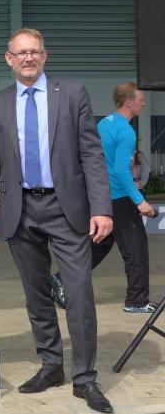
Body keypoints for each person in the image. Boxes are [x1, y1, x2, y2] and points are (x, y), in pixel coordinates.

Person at [0, 28, 114, 414]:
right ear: (9, 59)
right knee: (36, 294)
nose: (28, 58)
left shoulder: (72, 93)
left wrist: (102, 208)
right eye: (20, 53)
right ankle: (52, 366)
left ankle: (85, 379)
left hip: (66, 208)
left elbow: (91, 154)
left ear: (44, 55)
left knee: (79, 293)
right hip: (20, 210)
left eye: (34, 51)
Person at [49, 87, 158, 313]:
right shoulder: (126, 132)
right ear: (129, 102)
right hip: (120, 197)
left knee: (99, 245)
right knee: (136, 249)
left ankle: (61, 279)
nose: (144, 103)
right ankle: (137, 301)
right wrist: (139, 200)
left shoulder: (104, 124)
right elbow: (120, 170)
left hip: (101, 197)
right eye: (141, 99)